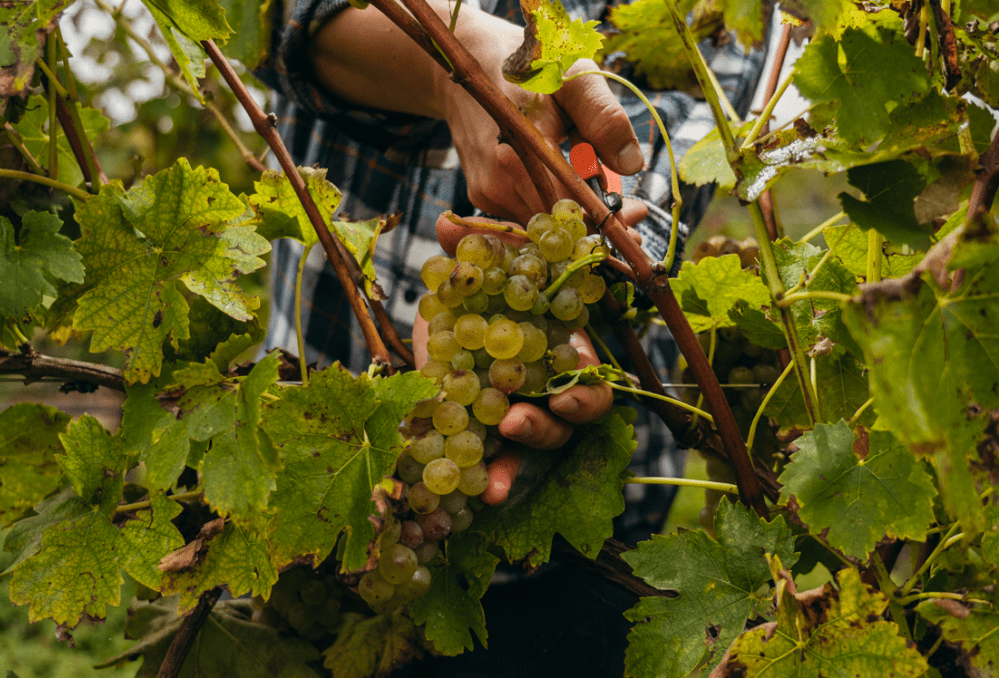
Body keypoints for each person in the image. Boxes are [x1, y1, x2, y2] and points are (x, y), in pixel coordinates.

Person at [255, 0, 766, 674]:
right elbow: (282, 22)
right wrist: (454, 61)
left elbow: (652, 175)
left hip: (587, 558)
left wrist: (591, 243)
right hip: (312, 475)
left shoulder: (716, 15)